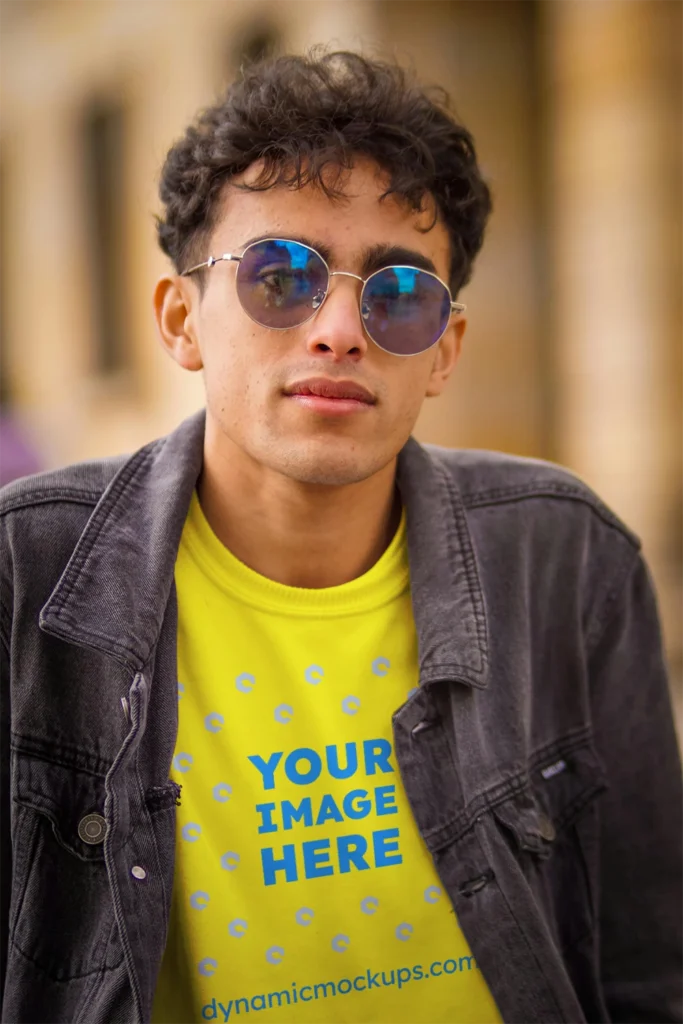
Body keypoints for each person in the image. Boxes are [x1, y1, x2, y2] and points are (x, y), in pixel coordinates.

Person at [0, 50, 681, 1024]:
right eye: (280, 276)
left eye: (398, 293)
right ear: (181, 318)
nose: (338, 328)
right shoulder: (27, 573)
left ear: (442, 349)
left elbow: (646, 970)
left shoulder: (563, 557)